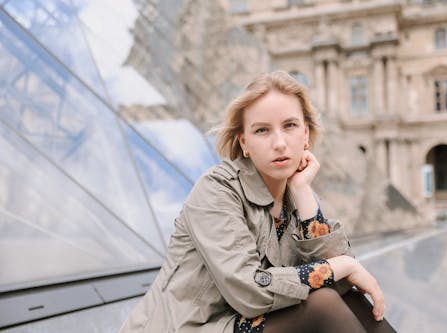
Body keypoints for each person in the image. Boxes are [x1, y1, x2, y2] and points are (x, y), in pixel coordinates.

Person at [120, 71, 395, 333]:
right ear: (244, 143)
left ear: (306, 134)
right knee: (324, 305)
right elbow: (250, 292)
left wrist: (302, 192)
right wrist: (343, 267)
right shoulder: (216, 189)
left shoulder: (295, 194)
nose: (279, 143)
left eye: (289, 125)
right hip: (185, 328)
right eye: (262, 130)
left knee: (347, 300)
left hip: (237, 323)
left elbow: (341, 280)